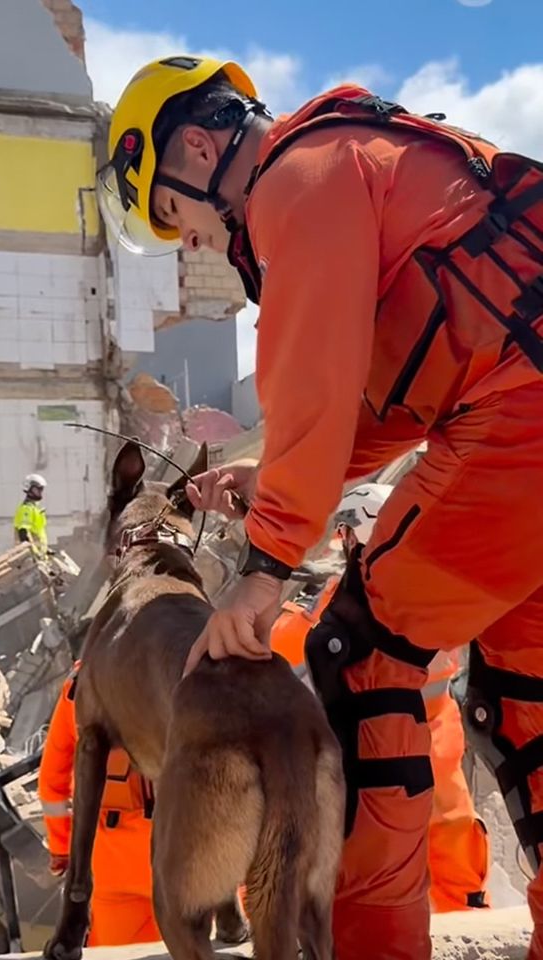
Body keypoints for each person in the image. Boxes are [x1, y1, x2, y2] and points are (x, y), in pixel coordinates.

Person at [100, 56, 543, 960]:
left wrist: (262, 573)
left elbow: (314, 383)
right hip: (513, 412)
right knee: (528, 693)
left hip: (519, 423)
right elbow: (380, 395)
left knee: (362, 654)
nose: (189, 242)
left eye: (176, 214)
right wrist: (269, 485)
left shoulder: (298, 180)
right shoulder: (360, 163)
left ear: (195, 145)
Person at [271, 482, 490, 914]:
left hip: (373, 789)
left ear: (350, 537)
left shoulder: (314, 619)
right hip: (444, 797)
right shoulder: (440, 600)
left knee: (369, 910)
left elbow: (280, 666)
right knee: (457, 907)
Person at [38, 662, 159, 947]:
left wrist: (62, 853)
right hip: (188, 853)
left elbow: (52, 782)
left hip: (110, 863)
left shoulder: (81, 681)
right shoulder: (192, 659)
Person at [14, 474, 49, 557]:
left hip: (39, 555)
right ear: (29, 489)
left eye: (41, 489)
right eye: (38, 489)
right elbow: (23, 533)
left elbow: (37, 533)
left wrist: (45, 550)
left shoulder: (35, 508)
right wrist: (32, 553)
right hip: (32, 557)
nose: (41, 491)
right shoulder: (26, 509)